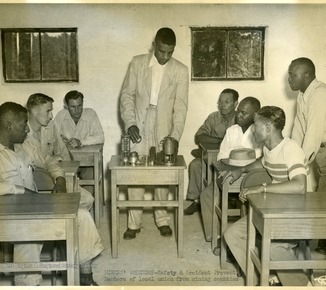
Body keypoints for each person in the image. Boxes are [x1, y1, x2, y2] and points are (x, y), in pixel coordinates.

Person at [0, 102, 104, 286]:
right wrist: (18, 190)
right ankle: (30, 285)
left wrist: (60, 179)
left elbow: (49, 160)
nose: (27, 129)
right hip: (9, 219)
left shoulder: (23, 146)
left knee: (81, 214)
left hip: (36, 209)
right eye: (23, 124)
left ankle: (84, 276)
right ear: (8, 125)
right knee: (29, 237)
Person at [222, 106, 310, 286]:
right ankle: (263, 279)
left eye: (256, 125)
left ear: (269, 128)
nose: (253, 128)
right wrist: (241, 170)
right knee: (232, 234)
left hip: (295, 214)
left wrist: (262, 188)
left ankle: (302, 285)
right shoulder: (269, 148)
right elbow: (262, 163)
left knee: (273, 247)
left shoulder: (291, 148)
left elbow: (300, 185)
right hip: (274, 210)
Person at [119, 27, 189, 239]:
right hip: (140, 120)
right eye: (161, 51)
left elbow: (181, 106)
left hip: (164, 123)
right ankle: (134, 223)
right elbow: (127, 95)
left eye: (170, 52)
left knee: (163, 172)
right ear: (154, 45)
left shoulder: (181, 70)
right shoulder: (138, 63)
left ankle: (162, 219)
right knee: (135, 170)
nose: (165, 57)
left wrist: (175, 136)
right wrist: (130, 122)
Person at [288, 57, 326, 255]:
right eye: (289, 75)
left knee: (325, 200)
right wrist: (291, 155)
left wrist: (299, 165)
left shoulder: (320, 94)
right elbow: (299, 129)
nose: (289, 79)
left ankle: (325, 245)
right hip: (323, 152)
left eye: (293, 75)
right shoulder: (303, 95)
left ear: (307, 75)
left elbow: (313, 133)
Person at [200, 96, 262, 245]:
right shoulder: (232, 130)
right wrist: (230, 166)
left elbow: (262, 159)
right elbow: (222, 155)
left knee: (252, 202)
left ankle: (248, 238)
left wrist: (243, 168)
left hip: (253, 176)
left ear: (255, 115)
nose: (238, 115)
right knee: (207, 195)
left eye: (243, 113)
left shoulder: (260, 132)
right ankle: (215, 236)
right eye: (238, 111)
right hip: (231, 171)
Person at [25, 93, 94, 211]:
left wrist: (71, 178)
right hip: (33, 184)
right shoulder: (21, 131)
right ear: (34, 111)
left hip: (56, 177)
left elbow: (63, 152)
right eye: (48, 111)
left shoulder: (50, 126)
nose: (51, 116)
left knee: (87, 199)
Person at [184, 88, 238, 215]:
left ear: (235, 104)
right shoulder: (213, 117)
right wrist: (221, 141)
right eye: (220, 101)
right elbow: (199, 136)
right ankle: (198, 200)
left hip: (232, 158)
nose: (222, 105)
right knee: (195, 164)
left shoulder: (240, 117)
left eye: (227, 102)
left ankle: (229, 198)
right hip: (213, 155)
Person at [53, 90, 104, 161]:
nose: (77, 110)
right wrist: (60, 140)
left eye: (79, 106)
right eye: (73, 107)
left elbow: (100, 137)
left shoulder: (90, 114)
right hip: (66, 160)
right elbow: (52, 137)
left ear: (83, 103)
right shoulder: (61, 115)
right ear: (66, 107)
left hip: (87, 159)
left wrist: (80, 142)